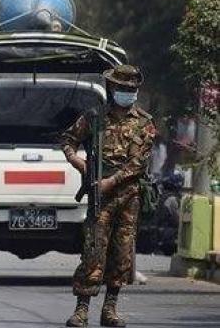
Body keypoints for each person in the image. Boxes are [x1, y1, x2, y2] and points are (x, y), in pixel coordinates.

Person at [62, 65, 156, 327]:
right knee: (93, 251)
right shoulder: (95, 117)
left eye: (131, 89)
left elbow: (140, 162)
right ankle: (82, 309)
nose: (127, 93)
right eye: (123, 88)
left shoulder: (144, 123)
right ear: (113, 89)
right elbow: (68, 140)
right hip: (98, 196)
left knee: (122, 254)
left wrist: (111, 181)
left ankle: (110, 309)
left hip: (127, 196)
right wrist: (79, 162)